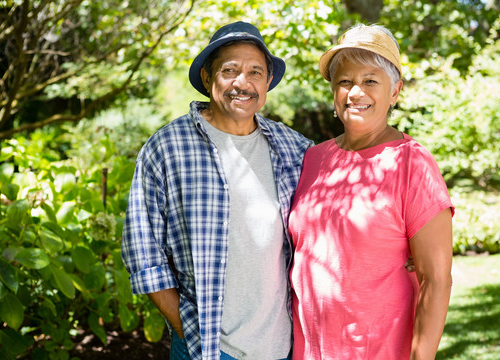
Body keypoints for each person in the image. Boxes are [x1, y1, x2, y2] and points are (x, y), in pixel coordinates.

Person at [121, 21, 313, 360]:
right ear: (209, 78)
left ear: (268, 81)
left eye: (256, 71)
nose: (243, 82)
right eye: (230, 70)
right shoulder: (167, 147)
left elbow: (339, 199)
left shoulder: (293, 147)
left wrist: (401, 245)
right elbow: (142, 251)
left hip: (283, 347)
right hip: (206, 348)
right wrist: (186, 328)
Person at [289, 24, 454, 360]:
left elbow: (437, 280)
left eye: (370, 81)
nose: (355, 92)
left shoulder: (411, 164)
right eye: (345, 81)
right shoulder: (314, 158)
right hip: (310, 350)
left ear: (394, 91)